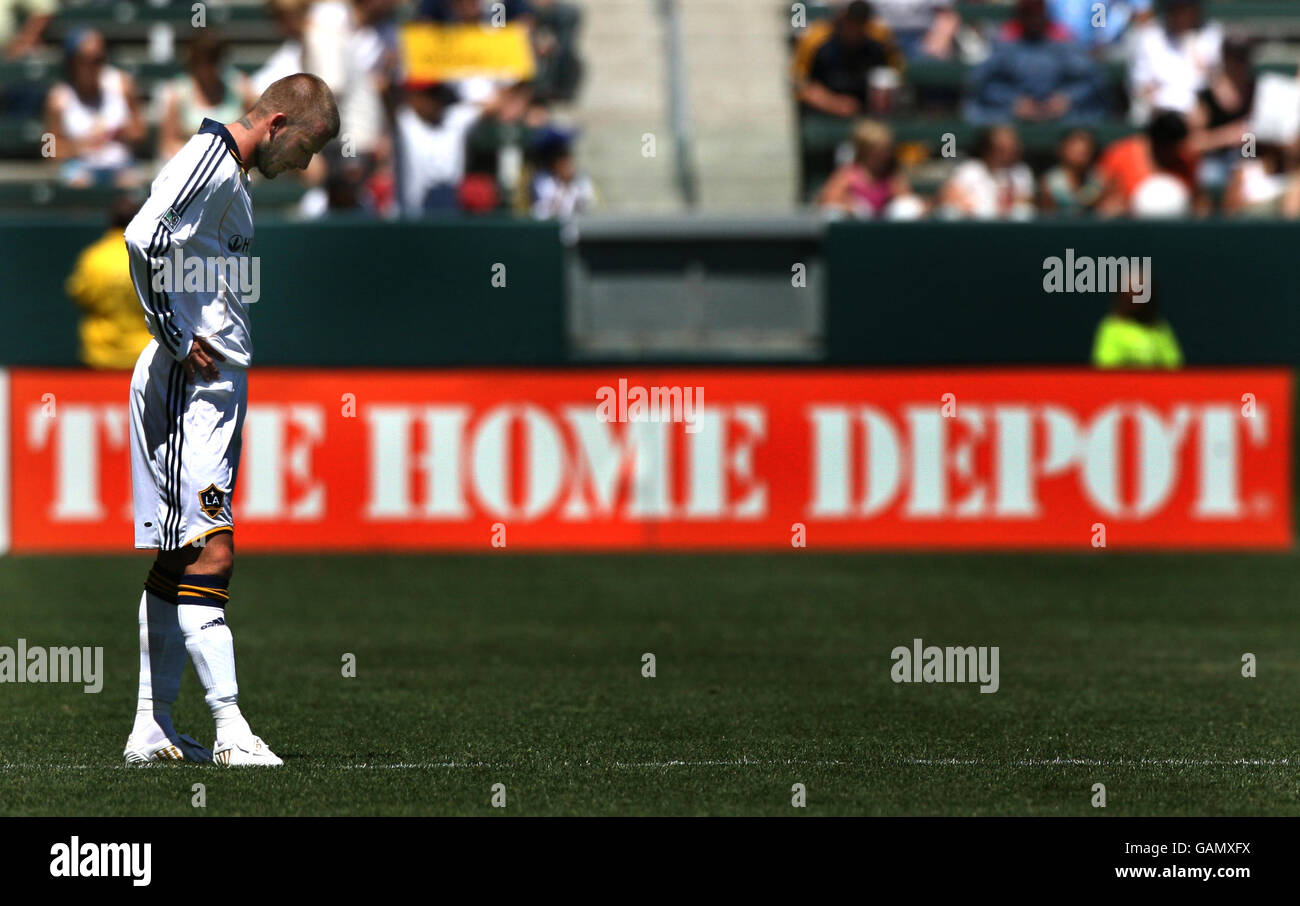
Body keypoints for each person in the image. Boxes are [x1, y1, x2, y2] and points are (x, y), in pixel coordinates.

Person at [121, 73, 340, 767]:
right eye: (307, 146)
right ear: (278, 123)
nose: (307, 164)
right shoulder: (209, 160)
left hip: (209, 393)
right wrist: (175, 336)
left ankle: (152, 727)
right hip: (191, 389)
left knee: (180, 553)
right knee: (213, 551)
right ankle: (230, 728)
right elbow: (141, 234)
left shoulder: (230, 175)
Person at [965, 0, 1106, 125]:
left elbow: (1094, 80)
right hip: (1011, 120)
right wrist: (1013, 102)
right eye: (1029, 14)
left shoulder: (1063, 47)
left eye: (1038, 14)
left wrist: (1067, 99)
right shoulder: (1005, 48)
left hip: (1063, 120)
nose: (1034, 19)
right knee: (1001, 137)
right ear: (1020, 17)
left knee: (1079, 141)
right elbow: (980, 83)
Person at [44, 28, 146, 187]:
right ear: (72, 62)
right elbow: (48, 150)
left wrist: (119, 133)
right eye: (86, 59)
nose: (95, 66)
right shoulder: (58, 98)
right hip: (80, 168)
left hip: (121, 165)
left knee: (132, 184)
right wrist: (82, 145)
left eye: (99, 59)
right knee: (79, 183)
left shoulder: (122, 84)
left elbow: (140, 131)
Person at [65, 193, 155, 370]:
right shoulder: (152, 259)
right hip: (145, 355)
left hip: (101, 355)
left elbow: (79, 295)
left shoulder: (94, 257)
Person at [157, 34, 251, 160]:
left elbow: (250, 133)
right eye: (203, 60)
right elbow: (168, 144)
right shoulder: (176, 93)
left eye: (215, 58)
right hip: (188, 166)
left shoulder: (240, 88)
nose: (209, 67)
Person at [1095, 109, 1199, 216]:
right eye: (1165, 146)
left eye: (1175, 147)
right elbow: (1094, 193)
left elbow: (1199, 203)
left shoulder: (1186, 160)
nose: (1169, 152)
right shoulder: (1119, 154)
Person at [816, 118, 913, 218]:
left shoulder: (892, 175)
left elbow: (907, 202)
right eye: (878, 150)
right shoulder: (848, 174)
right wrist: (852, 207)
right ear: (864, 150)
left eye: (887, 150)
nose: (884, 155)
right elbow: (827, 201)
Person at [937, 124, 1035, 219]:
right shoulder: (970, 169)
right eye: (1002, 149)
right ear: (988, 149)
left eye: (1013, 148)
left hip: (1008, 228)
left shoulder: (1021, 172)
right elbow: (949, 196)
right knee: (950, 212)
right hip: (973, 226)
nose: (1009, 153)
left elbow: (1024, 202)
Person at [1092, 283, 1182, 368]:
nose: (1135, 298)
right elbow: (1106, 366)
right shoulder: (1110, 327)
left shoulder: (1160, 327)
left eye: (1141, 293)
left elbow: (1173, 365)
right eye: (1130, 293)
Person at [1039, 127, 1101, 215]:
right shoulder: (1049, 181)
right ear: (1062, 150)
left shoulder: (1100, 179)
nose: (1080, 157)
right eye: (1076, 152)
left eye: (1085, 153)